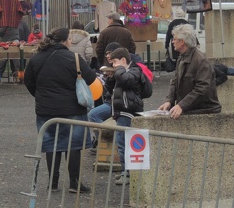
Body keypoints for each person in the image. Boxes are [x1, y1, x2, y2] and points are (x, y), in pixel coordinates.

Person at [24, 27, 97, 194]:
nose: (71, 41)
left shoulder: (37, 58)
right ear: (65, 41)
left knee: (51, 144)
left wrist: (40, 95)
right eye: (70, 39)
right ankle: (74, 182)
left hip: (46, 109)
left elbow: (28, 81)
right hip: (73, 108)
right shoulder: (75, 59)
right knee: (74, 145)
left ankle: (53, 182)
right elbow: (91, 78)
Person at [87, 46, 144, 185]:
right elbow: (111, 89)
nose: (112, 65)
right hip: (119, 110)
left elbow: (126, 80)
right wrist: (111, 78)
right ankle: (125, 171)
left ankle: (129, 173)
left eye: (114, 62)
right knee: (121, 142)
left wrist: (118, 70)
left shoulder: (134, 70)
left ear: (123, 60)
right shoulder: (121, 72)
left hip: (127, 110)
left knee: (124, 143)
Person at [158, 23, 221, 119]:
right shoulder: (181, 57)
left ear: (182, 42)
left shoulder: (200, 60)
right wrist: (169, 100)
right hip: (191, 108)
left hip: (203, 110)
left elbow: (202, 89)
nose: (172, 42)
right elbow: (175, 81)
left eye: (174, 39)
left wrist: (181, 105)